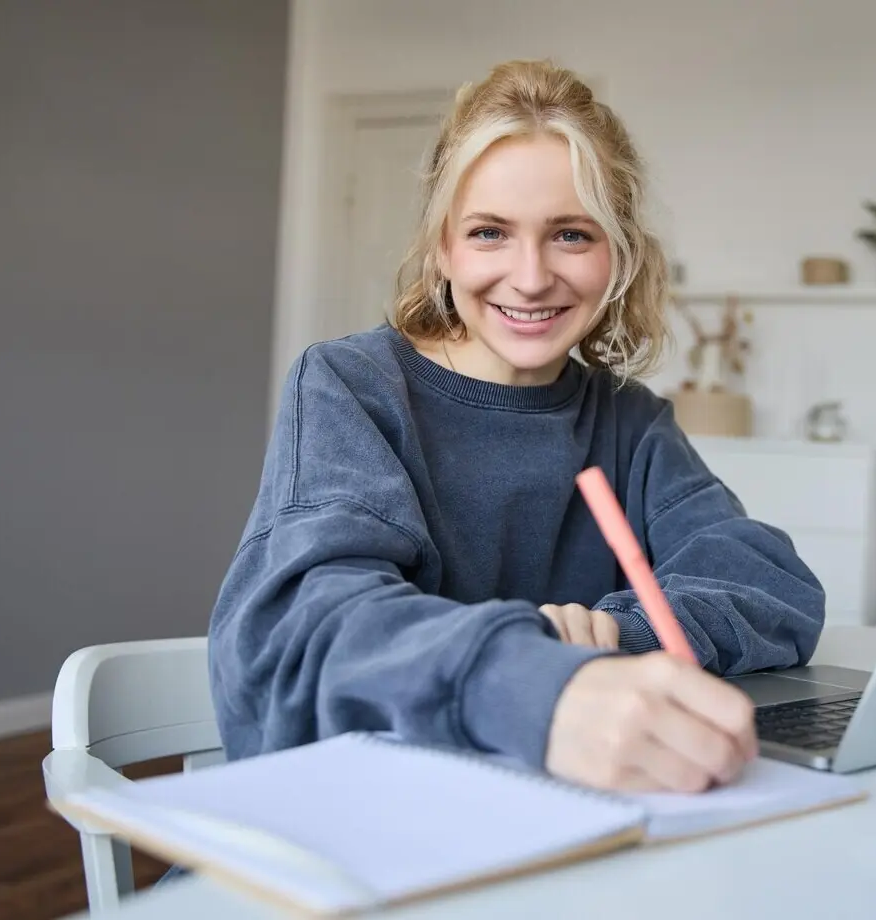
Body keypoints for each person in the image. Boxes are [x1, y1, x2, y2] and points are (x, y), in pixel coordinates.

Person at [207, 59, 826, 797]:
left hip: (555, 817)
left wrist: (617, 633)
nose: (530, 278)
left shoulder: (629, 420)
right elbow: (311, 626)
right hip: (359, 816)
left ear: (619, 253)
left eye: (570, 234)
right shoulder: (354, 387)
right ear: (442, 247)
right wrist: (543, 679)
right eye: (490, 233)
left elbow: (771, 587)